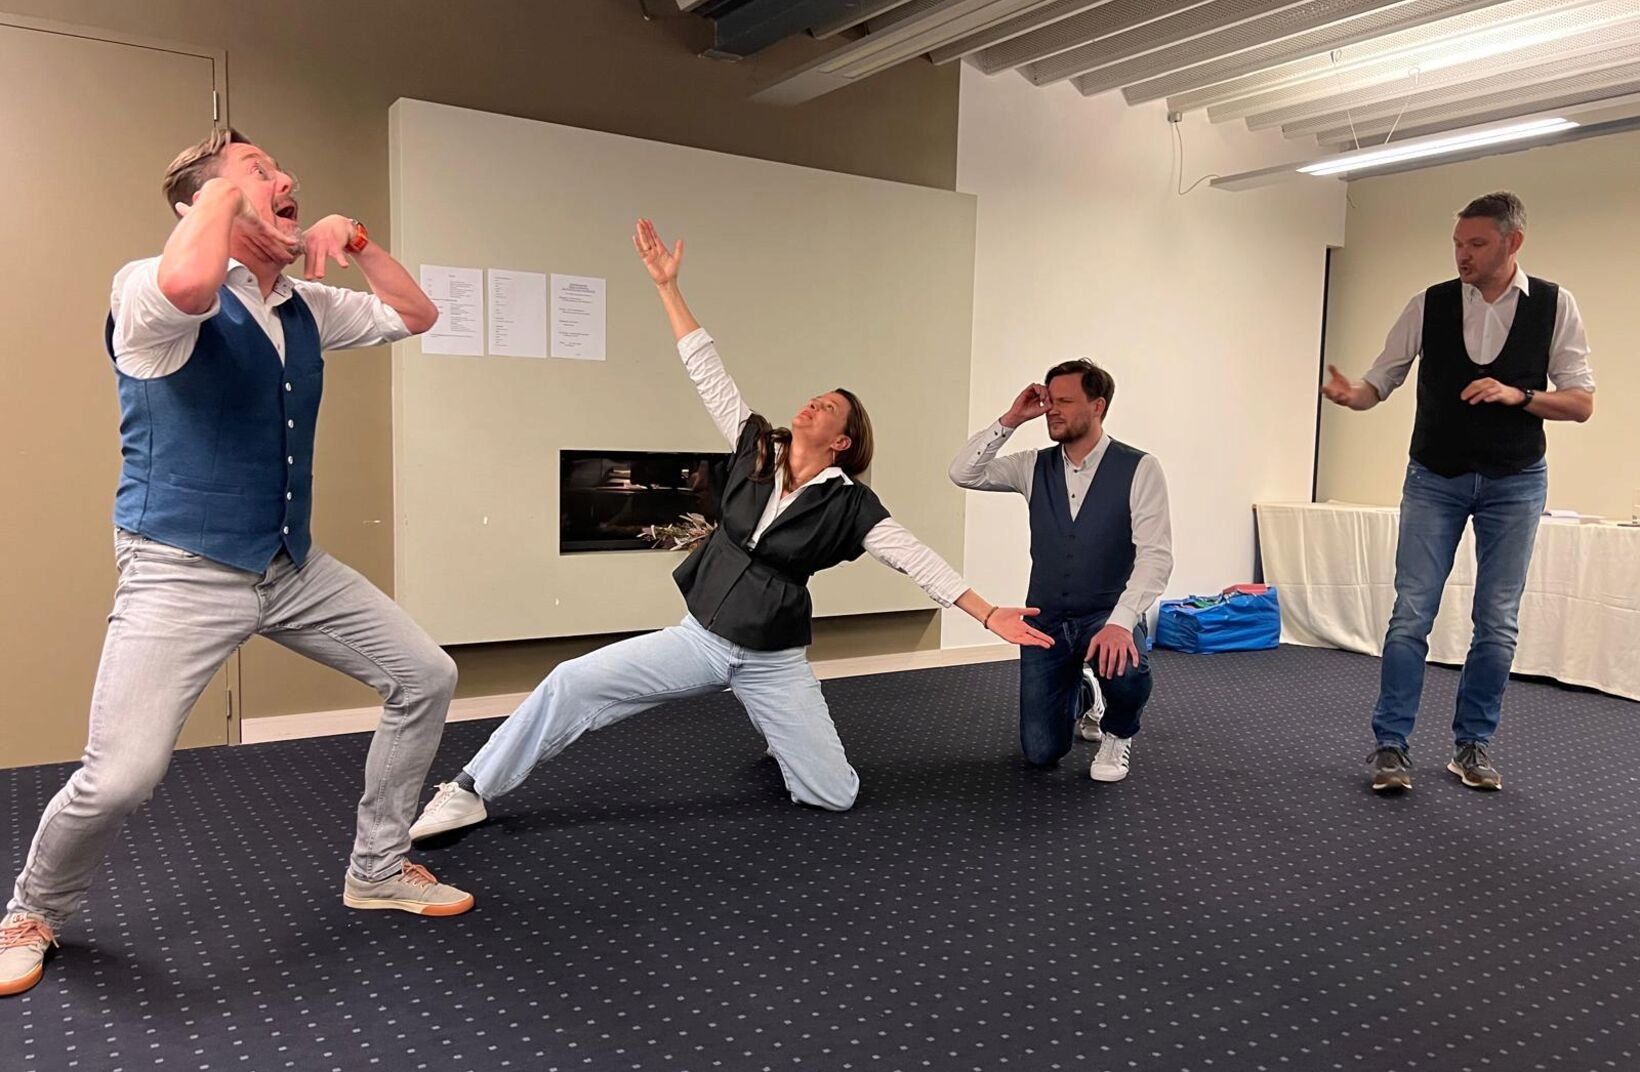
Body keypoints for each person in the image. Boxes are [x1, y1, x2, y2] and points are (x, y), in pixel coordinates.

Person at [1, 129, 471, 1000]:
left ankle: (377, 867)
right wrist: (220, 196)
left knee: (426, 675)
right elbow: (188, 284)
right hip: (180, 566)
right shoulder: (148, 285)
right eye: (262, 171)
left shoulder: (302, 304)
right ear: (203, 203)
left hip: (289, 563)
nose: (288, 177)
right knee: (122, 777)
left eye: (283, 168)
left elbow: (416, 316)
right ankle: (31, 909)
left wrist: (360, 241)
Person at [407, 218, 1053, 840]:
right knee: (572, 681)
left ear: (843, 440)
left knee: (833, 794)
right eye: (814, 397)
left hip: (773, 660)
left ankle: (777, 727)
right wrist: (667, 286)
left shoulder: (851, 505)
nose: (813, 403)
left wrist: (985, 612)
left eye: (829, 407)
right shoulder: (755, 448)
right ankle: (468, 788)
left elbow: (916, 559)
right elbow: (705, 368)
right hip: (701, 641)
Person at [1322, 191, 1595, 793]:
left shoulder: (1555, 305)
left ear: (1512, 242)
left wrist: (1520, 395)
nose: (1462, 255)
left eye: (1476, 244)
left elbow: (1581, 403)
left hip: (1516, 480)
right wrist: (1352, 396)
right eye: (1457, 244)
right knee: (1410, 615)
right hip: (1434, 477)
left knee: (1496, 622)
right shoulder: (1430, 303)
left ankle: (1473, 745)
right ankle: (1391, 746)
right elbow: (1378, 382)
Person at [951, 364, 1172, 782]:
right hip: (1045, 619)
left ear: (1098, 406)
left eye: (1065, 401)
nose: (1052, 410)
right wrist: (1011, 419)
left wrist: (1122, 622)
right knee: (1041, 752)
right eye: (1049, 401)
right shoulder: (1032, 466)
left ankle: (1118, 732)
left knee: (1127, 669)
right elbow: (963, 472)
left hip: (1105, 616)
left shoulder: (1140, 468)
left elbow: (1156, 557)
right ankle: (1087, 694)